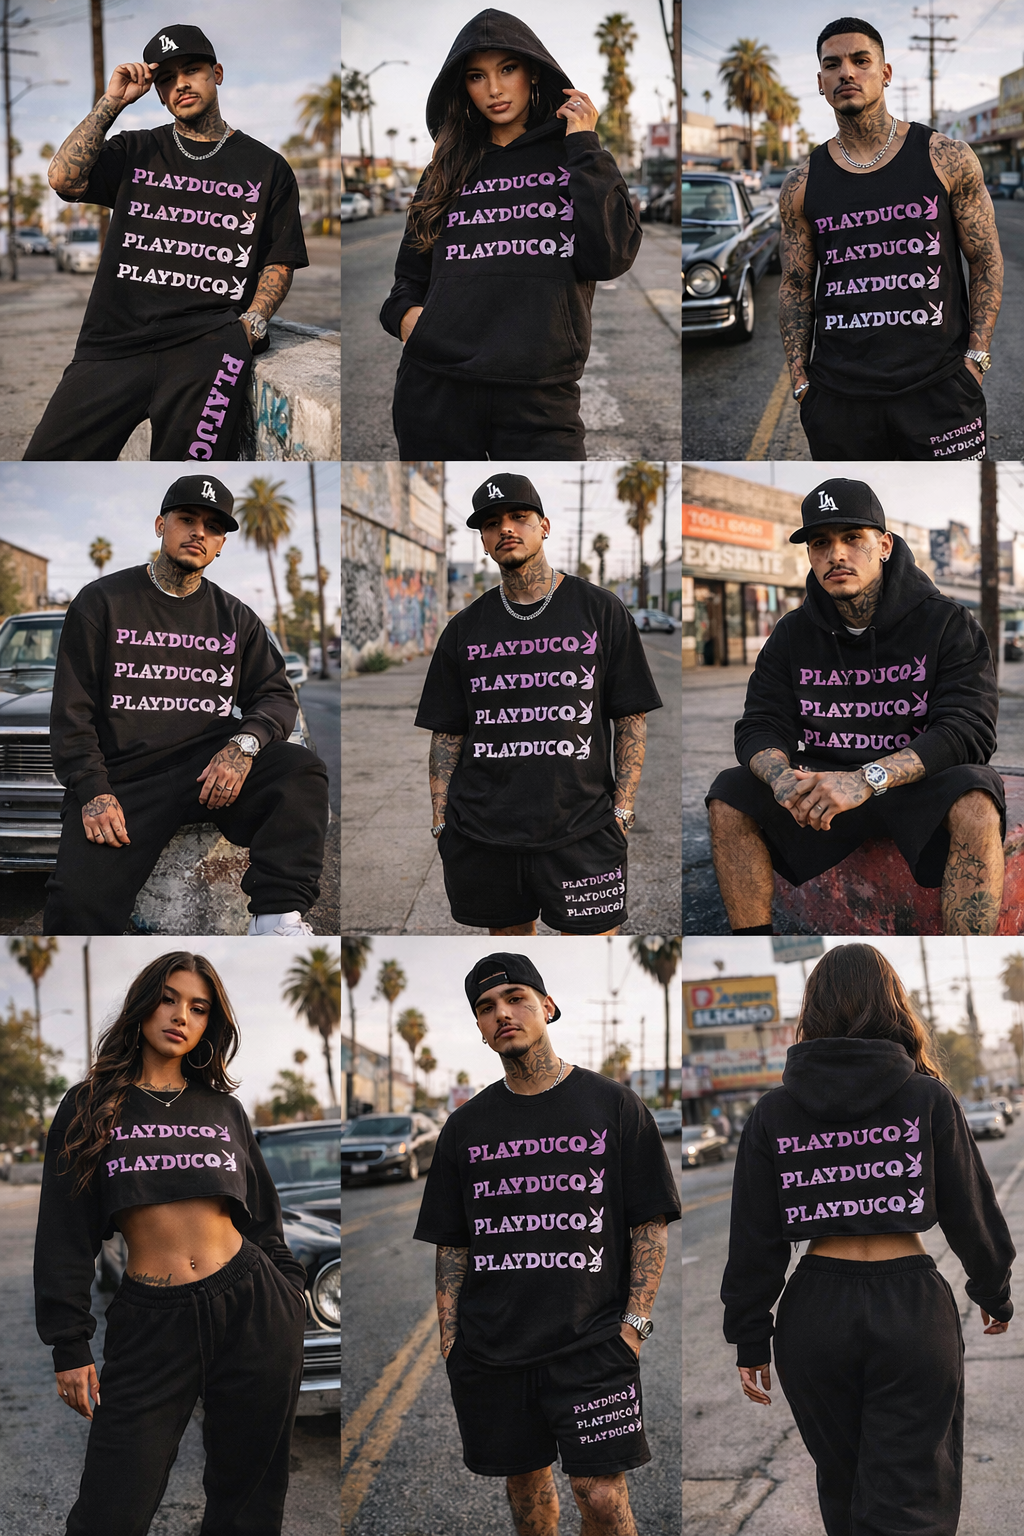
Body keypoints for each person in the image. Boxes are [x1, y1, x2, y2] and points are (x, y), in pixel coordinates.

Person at [721, 944, 1014, 1536]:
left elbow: (754, 1239)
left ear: (813, 1010)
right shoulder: (926, 1096)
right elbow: (970, 1208)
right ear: (893, 1007)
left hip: (815, 1314)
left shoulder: (773, 1113)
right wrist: (992, 1289)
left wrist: (750, 1335)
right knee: (912, 1498)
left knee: (844, 1490)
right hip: (911, 1308)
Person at [34, 951, 309, 1536]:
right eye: (167, 998)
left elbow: (261, 1216)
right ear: (141, 1005)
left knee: (249, 1502)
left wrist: (287, 1292)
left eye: (198, 1007)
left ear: (211, 1025)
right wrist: (69, 1344)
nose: (180, 1015)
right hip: (152, 1319)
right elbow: (64, 1232)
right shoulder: (88, 1107)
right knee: (110, 1508)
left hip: (253, 1306)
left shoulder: (223, 1109)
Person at [414, 953, 681, 1536]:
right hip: (493, 1348)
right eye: (486, 1007)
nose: (502, 1013)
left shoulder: (614, 1105)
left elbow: (649, 1224)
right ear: (479, 1028)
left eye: (515, 998)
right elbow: (454, 1242)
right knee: (527, 1492)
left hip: (593, 1343)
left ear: (548, 1005)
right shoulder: (464, 1127)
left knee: (602, 1497)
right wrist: (450, 1336)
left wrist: (634, 1325)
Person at [706, 477, 1005, 935]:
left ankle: (968, 947)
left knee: (976, 797)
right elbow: (760, 724)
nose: (836, 554)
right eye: (821, 543)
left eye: (852, 538)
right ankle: (753, 940)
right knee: (730, 792)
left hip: (913, 785)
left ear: (884, 544)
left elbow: (969, 730)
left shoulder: (946, 622)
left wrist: (868, 778)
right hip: (825, 788)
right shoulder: (791, 634)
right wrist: (783, 779)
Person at [43, 474, 329, 935]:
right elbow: (72, 712)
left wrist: (243, 746)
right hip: (126, 780)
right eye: (187, 519)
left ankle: (275, 921)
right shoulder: (103, 602)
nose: (199, 532)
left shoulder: (236, 617)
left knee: (300, 771)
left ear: (220, 545)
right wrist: (92, 788)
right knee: (76, 911)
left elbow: (274, 694)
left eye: (213, 527)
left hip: (207, 772)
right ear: (161, 524)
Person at [24, 24, 308, 461]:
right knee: (48, 460)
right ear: (157, 92)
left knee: (187, 469)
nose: (181, 84)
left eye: (191, 70)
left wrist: (251, 325)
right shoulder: (135, 150)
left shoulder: (268, 167)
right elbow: (63, 178)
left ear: (217, 72)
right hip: (113, 342)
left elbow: (279, 260)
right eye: (166, 79)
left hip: (209, 350)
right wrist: (112, 101)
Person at [379, 9, 641, 460]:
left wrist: (583, 143)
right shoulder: (444, 170)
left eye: (507, 69)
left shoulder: (576, 156)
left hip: (538, 395)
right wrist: (408, 321)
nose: (494, 90)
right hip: (437, 389)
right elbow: (409, 277)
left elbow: (610, 256)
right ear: (463, 86)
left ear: (533, 72)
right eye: (477, 76)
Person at [414, 473, 662, 935]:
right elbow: (447, 731)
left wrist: (622, 808)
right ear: (484, 542)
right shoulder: (464, 628)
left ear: (544, 526)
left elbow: (630, 716)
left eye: (518, 516)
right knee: (514, 945)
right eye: (491, 523)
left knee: (590, 956)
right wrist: (440, 818)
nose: (506, 528)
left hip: (583, 829)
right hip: (485, 832)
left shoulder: (601, 610)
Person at [779, 17, 1002, 461]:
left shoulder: (945, 157)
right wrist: (802, 382)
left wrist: (975, 359)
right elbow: (795, 285)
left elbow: (985, 260)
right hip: (839, 401)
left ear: (885, 73)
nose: (847, 72)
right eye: (832, 64)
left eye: (861, 60)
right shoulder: (802, 183)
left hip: (940, 393)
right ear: (820, 83)